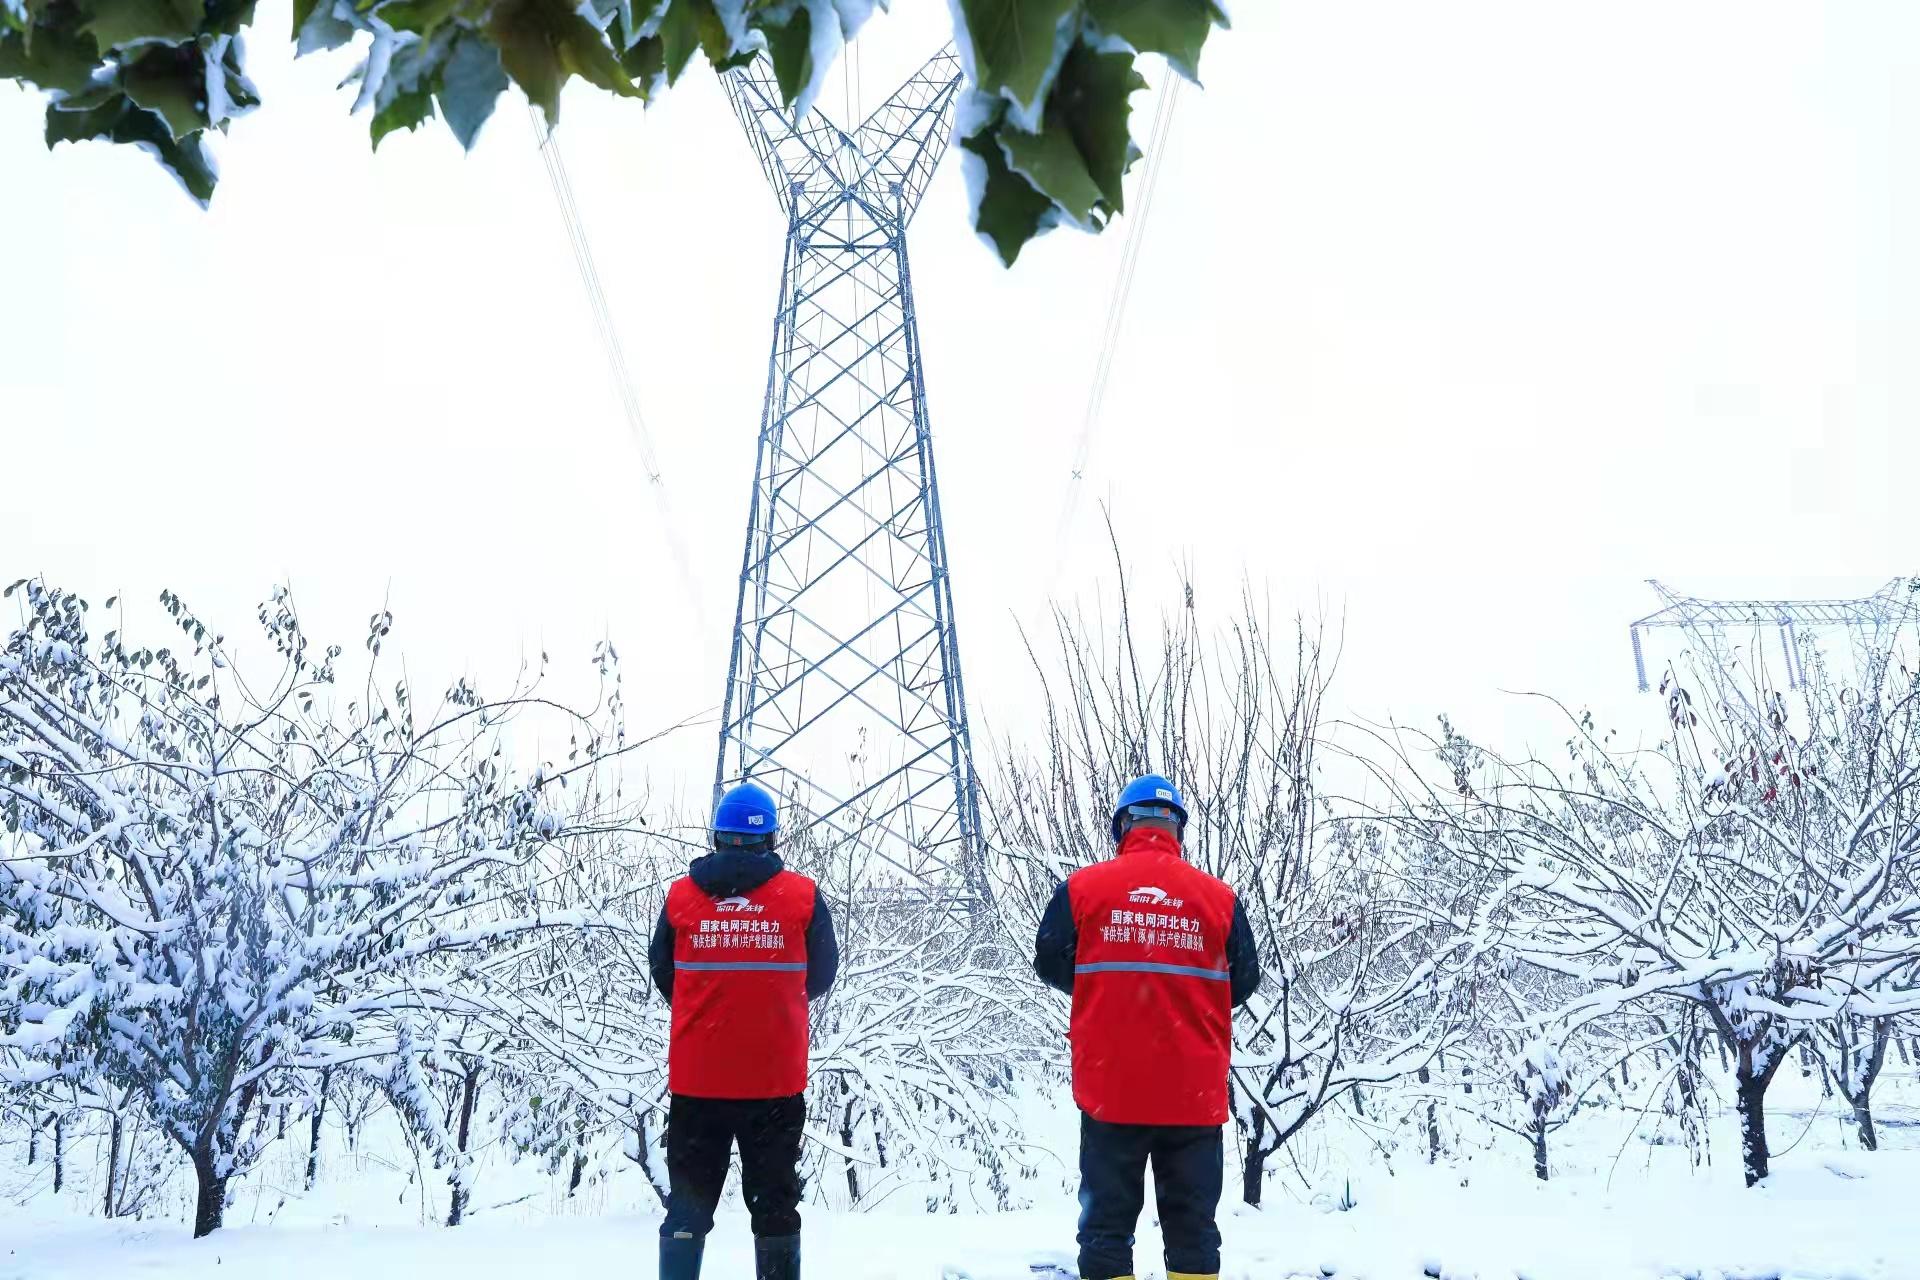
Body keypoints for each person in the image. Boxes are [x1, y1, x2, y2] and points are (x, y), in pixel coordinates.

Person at [1033, 774, 1261, 1280]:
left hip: (1112, 1090)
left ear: (1123, 826)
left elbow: (1048, 961)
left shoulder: (1083, 890)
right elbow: (1244, 980)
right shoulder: (1220, 900)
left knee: (1106, 1230)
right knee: (1193, 1231)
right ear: (1177, 829)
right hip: (1192, 1096)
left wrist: (1107, 993)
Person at [648, 782, 839, 1280]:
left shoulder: (682, 898)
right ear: (770, 838)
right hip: (772, 1085)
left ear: (717, 835)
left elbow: (665, 973)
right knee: (774, 1206)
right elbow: (820, 976)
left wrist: (706, 1009)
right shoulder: (802, 897)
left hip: (697, 1085)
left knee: (688, 1207)